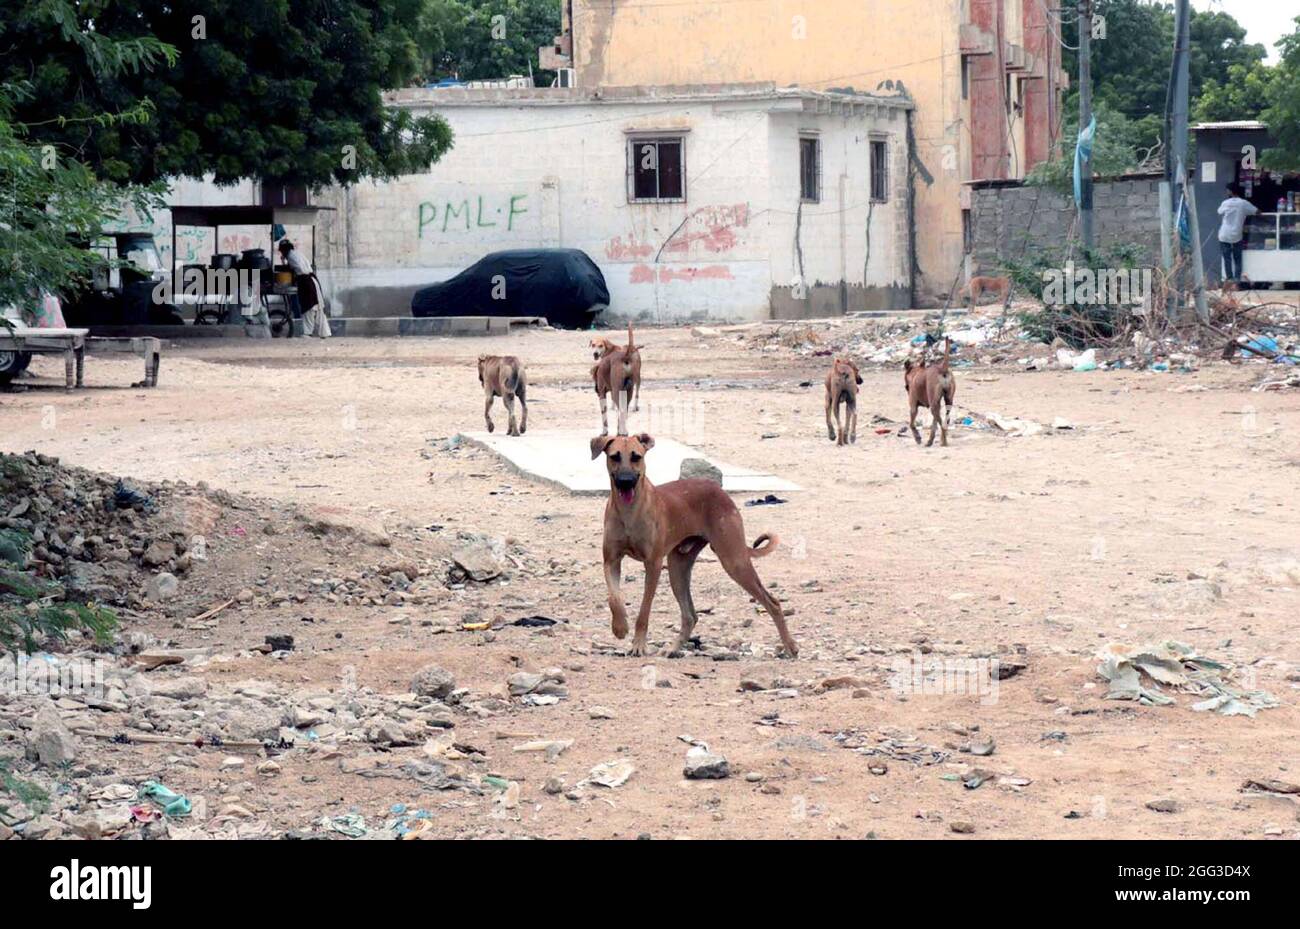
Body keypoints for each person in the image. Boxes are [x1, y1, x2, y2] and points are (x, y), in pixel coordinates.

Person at [277, 239, 331, 338]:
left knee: (308, 307)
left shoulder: (290, 257)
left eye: (282, 251)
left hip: (306, 282)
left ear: (284, 250)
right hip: (312, 280)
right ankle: (324, 332)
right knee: (317, 307)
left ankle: (307, 332)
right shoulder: (296, 254)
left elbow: (299, 270)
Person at [1217, 183, 1258, 285]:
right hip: (1237, 235)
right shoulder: (1244, 203)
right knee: (1238, 259)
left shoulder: (1225, 203)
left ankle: (1229, 280)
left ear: (1230, 191)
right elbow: (1257, 211)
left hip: (1224, 234)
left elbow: (1219, 212)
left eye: (1227, 190)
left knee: (1227, 259)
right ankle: (1237, 281)